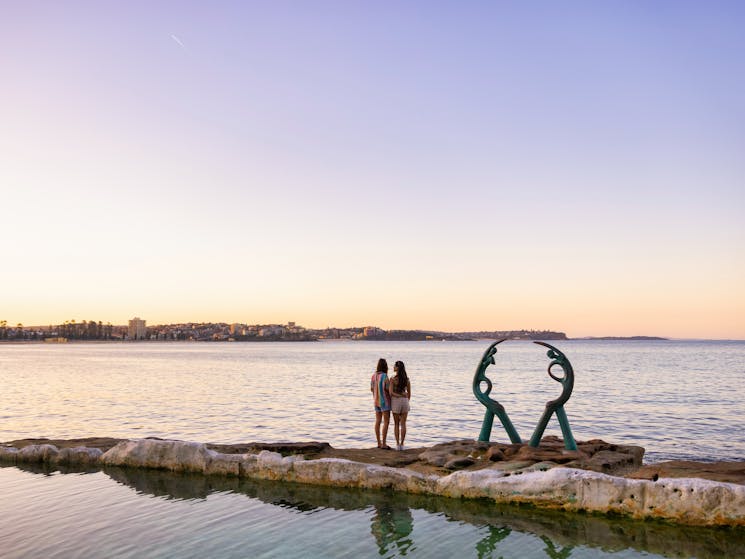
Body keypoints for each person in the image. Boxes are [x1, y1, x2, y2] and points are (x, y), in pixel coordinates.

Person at [371, 358, 392, 449]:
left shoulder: (373, 376)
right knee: (386, 422)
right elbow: (388, 389)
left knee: (378, 421)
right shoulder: (385, 376)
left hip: (376, 401)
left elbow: (371, 389)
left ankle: (378, 443)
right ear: (385, 366)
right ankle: (384, 443)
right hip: (385, 402)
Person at [390, 360, 411, 451]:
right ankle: (402, 444)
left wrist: (399, 396)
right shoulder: (407, 379)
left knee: (396, 424)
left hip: (396, 402)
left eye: (394, 366)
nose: (393, 367)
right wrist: (404, 398)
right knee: (403, 424)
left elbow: (391, 393)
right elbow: (409, 393)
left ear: (397, 368)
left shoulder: (393, 379)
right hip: (405, 402)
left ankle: (397, 444)